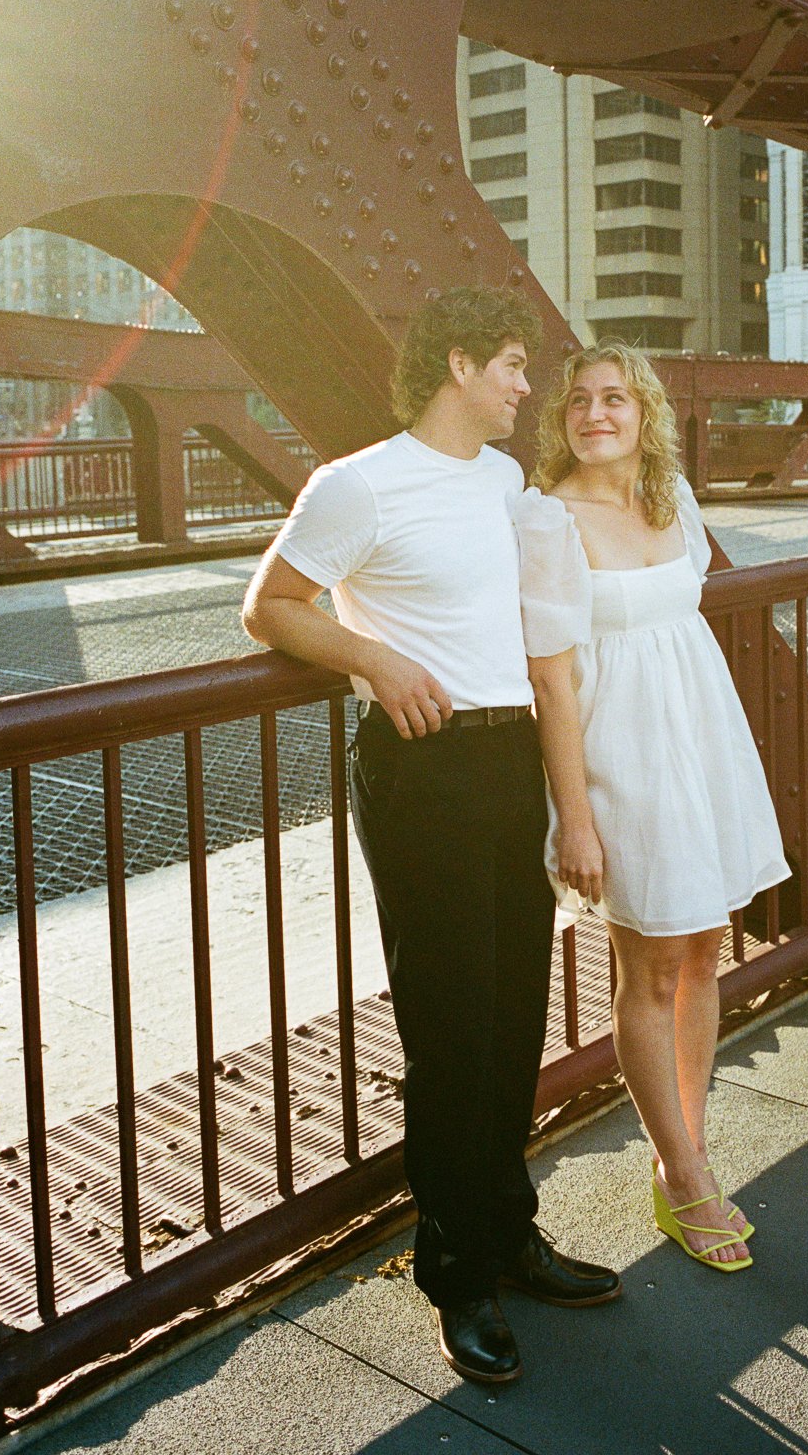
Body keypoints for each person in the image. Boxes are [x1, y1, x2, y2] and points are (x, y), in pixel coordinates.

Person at [242, 288, 620, 1386]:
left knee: (511, 1016)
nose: (523, 387)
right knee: (450, 1027)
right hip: (422, 766)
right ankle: (457, 1272)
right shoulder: (356, 483)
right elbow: (271, 605)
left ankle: (508, 1231)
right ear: (458, 365)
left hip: (506, 762)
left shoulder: (501, 481)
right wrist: (374, 658)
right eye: (509, 364)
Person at [516, 342, 791, 1273]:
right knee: (650, 967)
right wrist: (576, 818)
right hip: (617, 761)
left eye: (616, 400)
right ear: (562, 418)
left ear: (645, 416)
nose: (596, 414)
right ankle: (682, 1177)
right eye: (579, 399)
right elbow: (550, 680)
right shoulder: (546, 519)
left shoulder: (674, 502)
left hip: (701, 744)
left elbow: (683, 626)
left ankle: (691, 1157)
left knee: (703, 949)